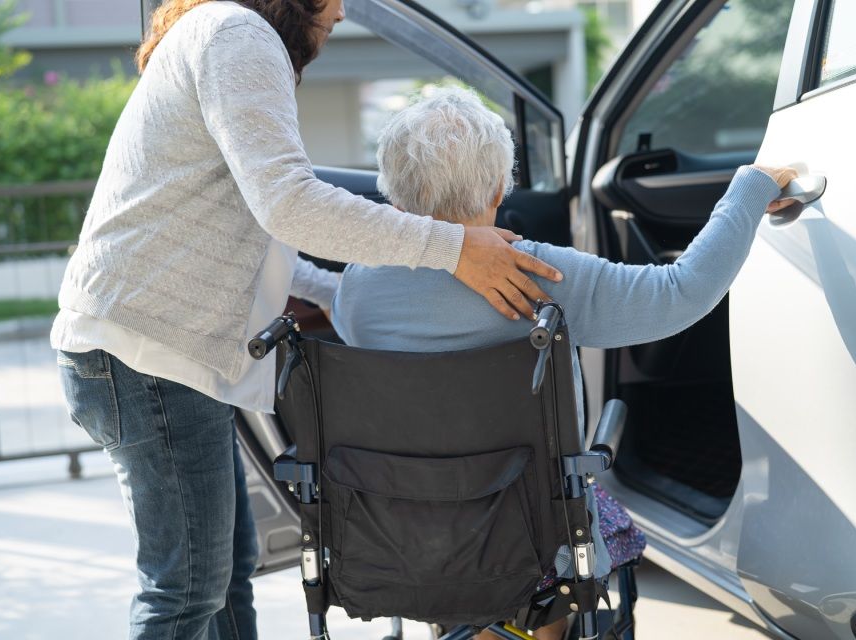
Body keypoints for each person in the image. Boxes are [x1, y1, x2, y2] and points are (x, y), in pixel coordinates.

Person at [52, 1, 564, 638]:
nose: (343, 11)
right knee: (185, 593)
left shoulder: (224, 33)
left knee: (224, 581)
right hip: (148, 357)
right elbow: (289, 202)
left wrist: (326, 288)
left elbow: (241, 221)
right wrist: (453, 247)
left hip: (151, 354)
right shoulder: (238, 34)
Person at [330, 87, 798, 639]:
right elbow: (681, 293)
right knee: (567, 512)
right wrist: (750, 189)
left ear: (392, 191)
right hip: (530, 541)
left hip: (401, 529)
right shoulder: (539, 275)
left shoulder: (358, 288)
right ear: (502, 186)